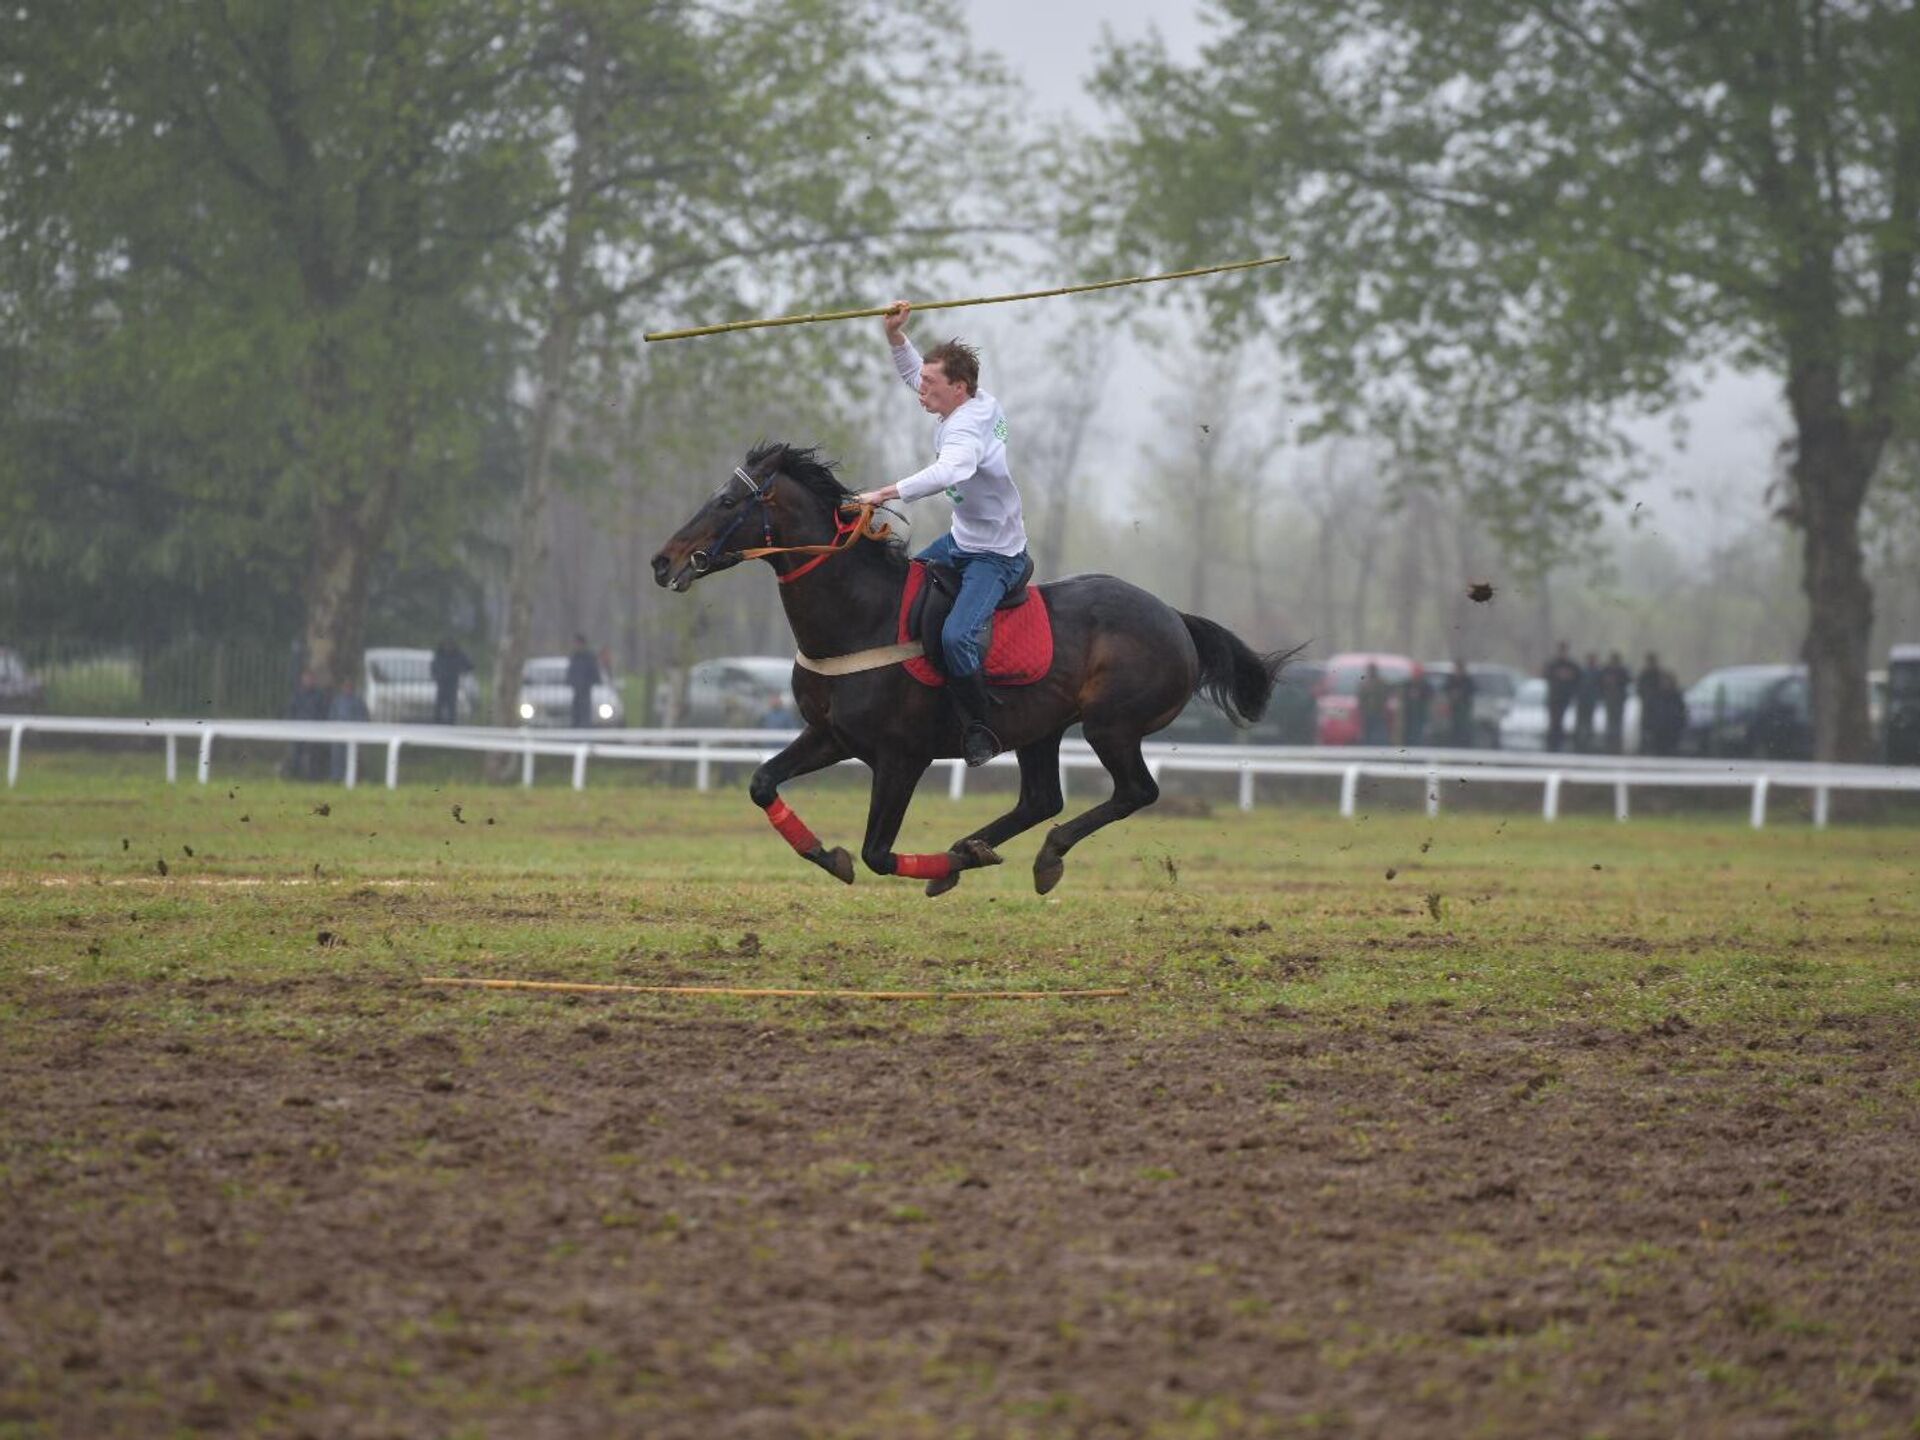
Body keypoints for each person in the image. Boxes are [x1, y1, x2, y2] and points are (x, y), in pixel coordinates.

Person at [852, 300, 1029, 767]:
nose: (920, 390)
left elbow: (952, 470)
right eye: (924, 381)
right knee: (901, 592)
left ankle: (980, 727)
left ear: (959, 388)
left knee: (955, 638)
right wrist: (895, 337)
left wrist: (884, 493)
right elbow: (917, 375)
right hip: (960, 540)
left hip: (995, 556)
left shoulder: (967, 429)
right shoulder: (968, 400)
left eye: (931, 384)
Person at [285, 667, 330, 780]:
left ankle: (313, 779)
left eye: (310, 678)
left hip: (315, 730)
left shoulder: (319, 695)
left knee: (314, 756)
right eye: (306, 678)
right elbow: (291, 711)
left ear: (313, 680)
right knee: (296, 754)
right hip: (298, 730)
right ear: (302, 680)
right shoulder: (297, 695)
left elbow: (323, 712)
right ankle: (295, 777)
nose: (308, 681)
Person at [327, 676, 370, 782]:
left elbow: (364, 718)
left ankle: (354, 779)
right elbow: (332, 716)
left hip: (354, 735)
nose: (348, 688)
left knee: (353, 758)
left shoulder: (358, 702)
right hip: (338, 734)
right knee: (337, 757)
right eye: (346, 686)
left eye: (350, 686)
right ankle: (336, 778)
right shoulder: (337, 701)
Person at [1543, 642, 1582, 753]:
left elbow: (1578, 679)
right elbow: (1546, 675)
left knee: (1560, 722)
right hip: (1553, 696)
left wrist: (1569, 677)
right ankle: (1551, 745)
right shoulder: (1553, 664)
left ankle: (1559, 745)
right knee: (1552, 721)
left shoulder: (1571, 665)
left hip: (1565, 697)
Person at [429, 639, 472, 725]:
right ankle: (437, 721)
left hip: (453, 682)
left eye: (450, 645)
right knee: (439, 703)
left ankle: (451, 722)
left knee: (451, 703)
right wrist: (436, 675)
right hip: (442, 682)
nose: (448, 647)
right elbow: (434, 666)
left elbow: (469, 665)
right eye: (446, 645)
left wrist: (462, 671)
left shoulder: (459, 655)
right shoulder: (440, 655)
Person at [1599, 650, 1633, 754]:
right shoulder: (1606, 670)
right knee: (1610, 723)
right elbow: (1600, 683)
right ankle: (1609, 746)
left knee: (1617, 724)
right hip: (1610, 699)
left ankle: (1616, 746)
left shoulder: (1622, 671)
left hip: (1618, 700)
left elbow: (1628, 681)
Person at [566, 634, 601, 730]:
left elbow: (594, 671)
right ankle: (575, 728)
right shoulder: (574, 656)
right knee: (575, 711)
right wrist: (570, 681)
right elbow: (571, 671)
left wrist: (589, 682)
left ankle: (585, 728)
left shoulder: (589, 657)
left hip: (586, 688)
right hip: (576, 688)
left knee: (585, 711)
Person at [1573, 650, 1602, 752]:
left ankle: (1587, 744)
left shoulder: (1598, 673)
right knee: (1580, 722)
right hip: (1582, 700)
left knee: (1589, 723)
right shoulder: (1582, 672)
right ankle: (1579, 744)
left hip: (1591, 701)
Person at [1444, 660, 1477, 749]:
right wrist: (1452, 694)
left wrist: (1462, 693)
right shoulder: (1451, 679)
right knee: (1453, 726)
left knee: (1464, 727)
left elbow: (1472, 690)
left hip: (1464, 707)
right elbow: (1445, 689)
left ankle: (1464, 745)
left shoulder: (1467, 680)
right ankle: (1454, 744)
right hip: (1454, 707)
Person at [1357, 663, 1390, 746]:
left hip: (1378, 712)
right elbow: (1361, 698)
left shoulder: (1381, 683)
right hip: (1367, 712)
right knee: (1367, 732)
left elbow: (1385, 696)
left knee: (1378, 733)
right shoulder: (1364, 684)